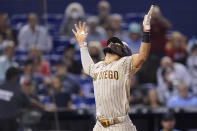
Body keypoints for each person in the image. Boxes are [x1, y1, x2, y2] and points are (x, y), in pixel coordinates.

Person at [72, 5, 153, 131]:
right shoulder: (98, 66)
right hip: (99, 125)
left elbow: (142, 56)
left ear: (123, 52)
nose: (112, 43)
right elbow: (88, 67)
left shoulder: (124, 63)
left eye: (117, 43)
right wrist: (82, 44)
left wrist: (146, 30)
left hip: (120, 125)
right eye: (112, 42)